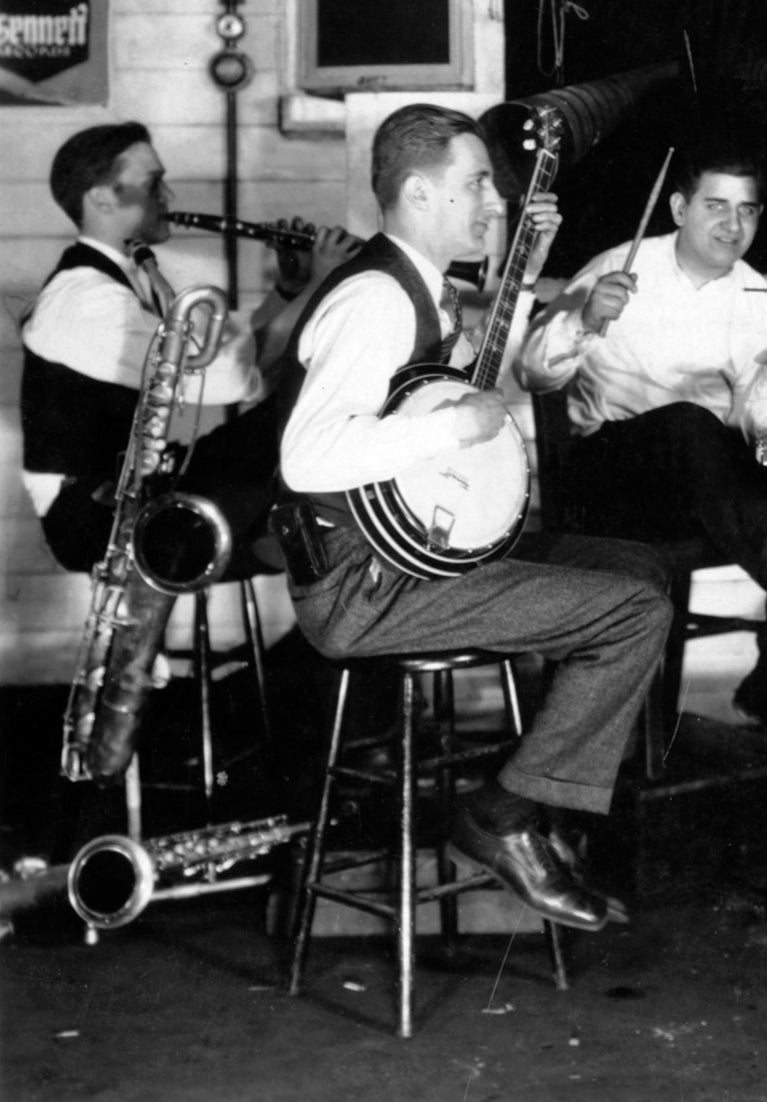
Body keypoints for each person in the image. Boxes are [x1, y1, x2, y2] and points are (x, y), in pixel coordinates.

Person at [272, 103, 673, 933]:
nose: (494, 198)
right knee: (637, 611)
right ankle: (505, 817)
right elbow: (307, 457)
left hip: (409, 559)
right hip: (367, 588)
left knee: (640, 570)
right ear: (419, 193)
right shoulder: (377, 300)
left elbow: (479, 379)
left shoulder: (424, 286)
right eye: (477, 183)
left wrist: (527, 270)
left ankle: (538, 807)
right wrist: (454, 428)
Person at [516, 151, 767, 759]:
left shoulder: (761, 297)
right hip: (613, 482)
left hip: (708, 489)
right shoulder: (617, 267)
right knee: (688, 424)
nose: (732, 225)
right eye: (716, 206)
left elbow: (759, 431)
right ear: (679, 208)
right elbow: (533, 372)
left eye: (746, 210)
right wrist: (587, 319)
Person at [20, 121, 354, 577]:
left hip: (131, 488)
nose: (167, 197)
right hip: (90, 516)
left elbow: (227, 359)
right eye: (152, 184)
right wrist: (320, 287)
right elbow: (233, 378)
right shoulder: (86, 301)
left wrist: (289, 292)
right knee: (307, 412)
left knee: (306, 507)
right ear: (101, 198)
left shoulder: (129, 278)